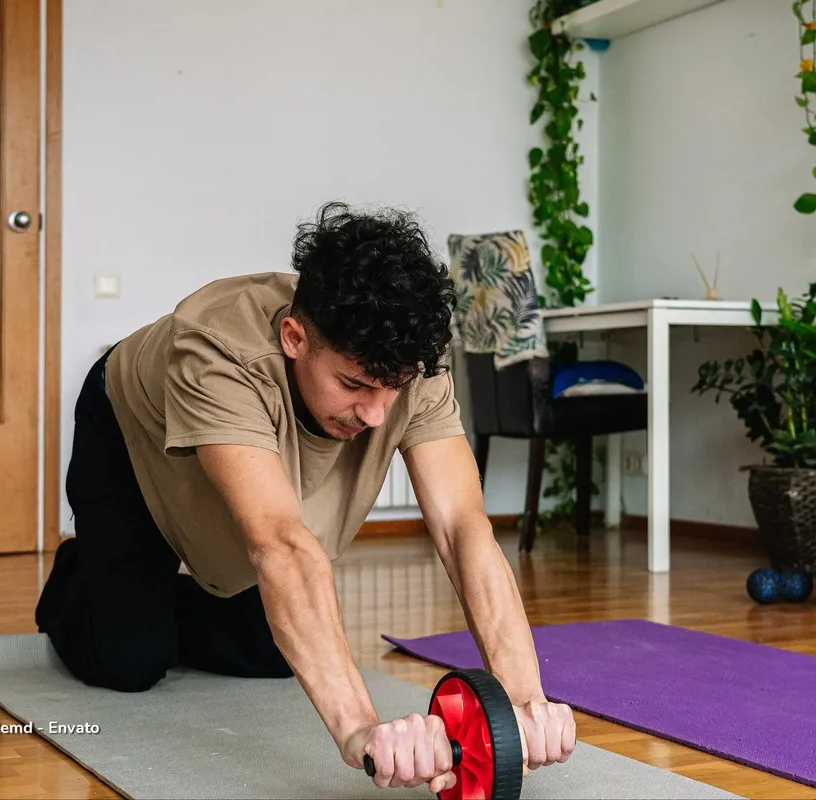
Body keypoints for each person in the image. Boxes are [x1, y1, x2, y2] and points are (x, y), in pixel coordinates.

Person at [35, 201, 575, 793]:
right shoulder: (219, 349)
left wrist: (523, 703)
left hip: (250, 470)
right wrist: (360, 731)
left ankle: (167, 596)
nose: (374, 415)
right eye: (354, 385)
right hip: (132, 432)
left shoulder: (411, 361)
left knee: (277, 656)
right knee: (128, 663)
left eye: (392, 390)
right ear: (295, 338)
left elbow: (461, 526)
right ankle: (82, 572)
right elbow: (280, 544)